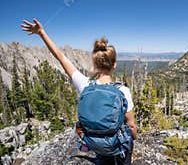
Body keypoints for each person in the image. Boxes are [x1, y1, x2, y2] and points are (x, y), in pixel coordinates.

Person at [21, 19, 138, 164]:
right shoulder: (123, 90)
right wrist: (133, 138)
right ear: (114, 65)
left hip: (94, 144)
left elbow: (60, 57)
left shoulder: (85, 85)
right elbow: (131, 125)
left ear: (94, 65)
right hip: (116, 147)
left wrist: (42, 33)